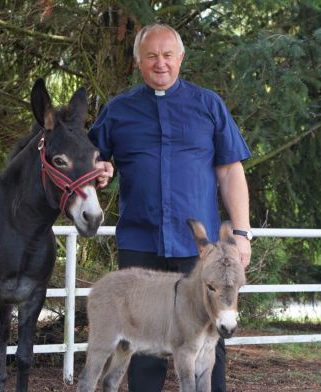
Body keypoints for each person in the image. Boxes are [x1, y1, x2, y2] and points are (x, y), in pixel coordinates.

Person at [89, 24, 252, 392]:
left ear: (180, 58)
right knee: (143, 341)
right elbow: (93, 158)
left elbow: (230, 171)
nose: (159, 63)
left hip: (200, 253)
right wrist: (100, 167)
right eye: (151, 56)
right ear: (137, 62)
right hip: (140, 241)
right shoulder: (118, 110)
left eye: (167, 55)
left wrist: (241, 232)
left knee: (208, 341)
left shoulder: (208, 105)